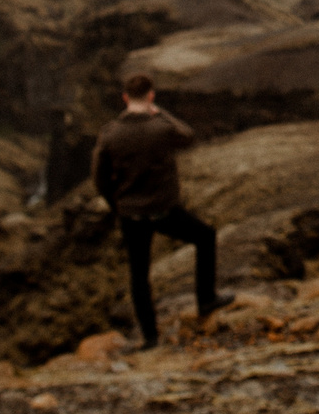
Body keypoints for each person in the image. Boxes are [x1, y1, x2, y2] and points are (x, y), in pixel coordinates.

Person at [91, 73, 230, 348]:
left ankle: (151, 338)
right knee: (205, 237)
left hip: (131, 214)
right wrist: (161, 113)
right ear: (151, 96)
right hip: (164, 210)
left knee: (139, 275)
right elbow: (188, 136)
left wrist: (116, 204)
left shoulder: (109, 134)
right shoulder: (161, 128)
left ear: (125, 98)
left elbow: (99, 178)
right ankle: (206, 299)